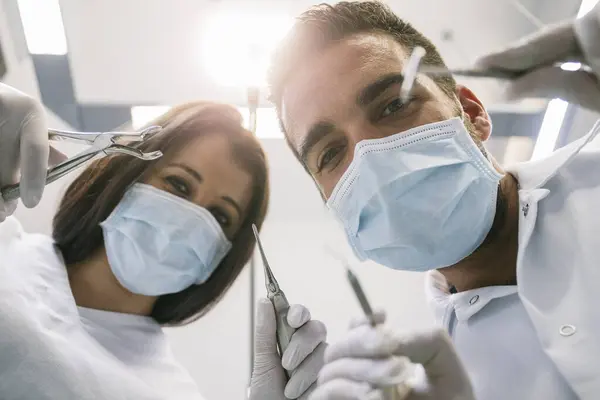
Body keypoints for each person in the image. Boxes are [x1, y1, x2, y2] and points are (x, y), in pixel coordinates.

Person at [267, 1, 600, 399]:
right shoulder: (437, 381)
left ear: (472, 113)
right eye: (331, 154)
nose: (372, 156)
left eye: (393, 105)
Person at [0, 83, 326, 400]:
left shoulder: (170, 392)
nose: (188, 220)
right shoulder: (5, 244)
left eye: (220, 216)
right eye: (179, 185)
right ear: (124, 175)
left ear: (225, 254)